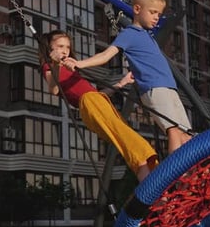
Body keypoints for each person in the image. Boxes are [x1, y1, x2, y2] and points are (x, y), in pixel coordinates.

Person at [62, 0, 192, 154]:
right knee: (174, 130)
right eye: (153, 12)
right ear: (137, 9)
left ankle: (194, 173)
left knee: (187, 135)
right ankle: (176, 174)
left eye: (159, 14)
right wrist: (80, 64)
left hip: (169, 87)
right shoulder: (129, 34)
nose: (156, 18)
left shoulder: (146, 35)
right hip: (154, 87)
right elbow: (106, 55)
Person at [38, 30, 157, 182]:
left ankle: (150, 179)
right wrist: (55, 63)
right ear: (50, 48)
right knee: (129, 140)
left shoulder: (71, 69)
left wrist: (121, 83)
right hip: (90, 103)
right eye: (60, 46)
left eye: (67, 47)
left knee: (126, 140)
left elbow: (97, 94)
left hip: (98, 100)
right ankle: (149, 176)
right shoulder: (50, 67)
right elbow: (54, 90)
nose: (65, 50)